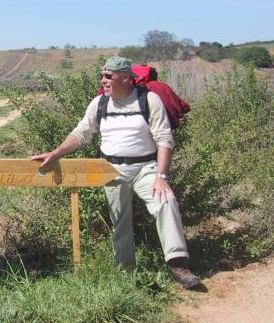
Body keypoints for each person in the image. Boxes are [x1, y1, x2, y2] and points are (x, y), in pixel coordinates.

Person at [31, 56, 201, 289]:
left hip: (146, 168)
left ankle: (178, 265)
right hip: (111, 170)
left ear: (125, 77)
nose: (103, 80)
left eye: (108, 76)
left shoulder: (148, 100)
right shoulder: (99, 103)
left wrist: (162, 177)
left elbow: (164, 139)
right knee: (120, 222)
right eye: (102, 75)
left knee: (166, 201)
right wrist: (56, 153)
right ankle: (126, 275)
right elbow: (81, 133)